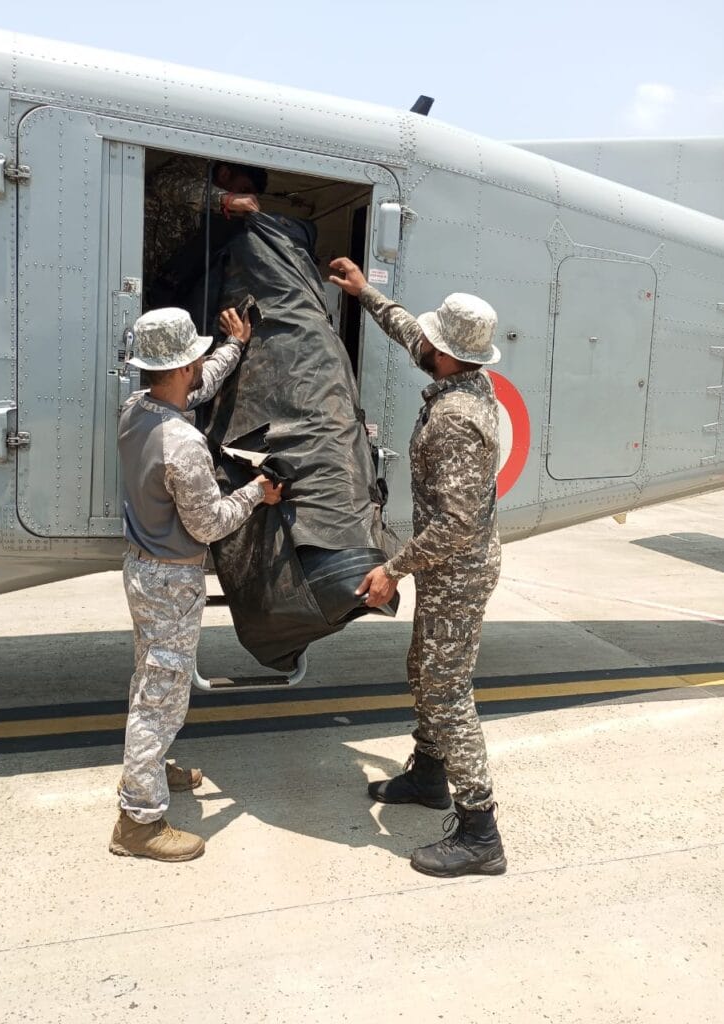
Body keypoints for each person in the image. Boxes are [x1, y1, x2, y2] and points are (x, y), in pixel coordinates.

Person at [328, 257, 506, 878]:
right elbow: (413, 333)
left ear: (448, 355)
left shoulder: (457, 420)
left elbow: (458, 524)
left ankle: (480, 832)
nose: (420, 342)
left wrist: (394, 569)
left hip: (457, 568)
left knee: (447, 691)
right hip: (448, 567)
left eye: (431, 339)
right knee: (423, 672)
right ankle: (429, 775)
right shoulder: (465, 379)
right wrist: (366, 293)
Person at [110, 305, 282, 862]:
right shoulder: (182, 443)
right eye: (196, 359)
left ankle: (150, 769)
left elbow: (198, 387)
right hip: (172, 579)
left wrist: (234, 346)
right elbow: (209, 523)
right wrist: (257, 493)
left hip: (143, 569)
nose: (200, 367)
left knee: (151, 679)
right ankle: (138, 821)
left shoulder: (135, 410)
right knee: (160, 698)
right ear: (184, 365)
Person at [143, 157, 267, 309]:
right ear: (224, 174)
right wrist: (226, 199)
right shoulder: (191, 166)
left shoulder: (212, 210)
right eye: (243, 191)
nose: (243, 199)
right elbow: (165, 183)